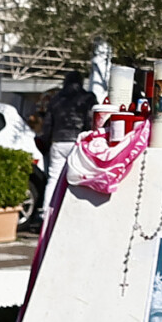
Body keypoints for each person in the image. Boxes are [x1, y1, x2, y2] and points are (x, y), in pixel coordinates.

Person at [39, 71, 96, 223]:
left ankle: (46, 214)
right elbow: (90, 121)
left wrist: (45, 142)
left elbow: (48, 124)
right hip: (77, 141)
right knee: (77, 177)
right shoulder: (88, 98)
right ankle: (71, 215)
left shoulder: (56, 99)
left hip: (58, 141)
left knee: (53, 178)